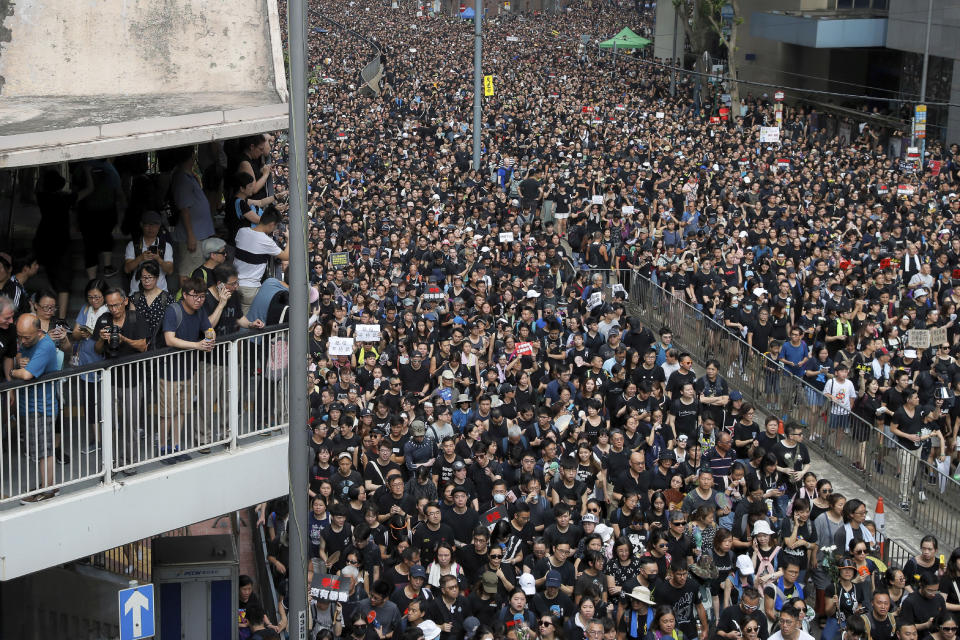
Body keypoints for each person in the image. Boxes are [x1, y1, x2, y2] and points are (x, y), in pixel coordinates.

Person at [158, 277, 214, 463]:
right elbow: (169, 339)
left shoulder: (200, 311)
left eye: (202, 296)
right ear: (185, 295)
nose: (199, 300)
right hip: (169, 372)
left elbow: (208, 328)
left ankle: (175, 447)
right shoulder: (173, 311)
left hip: (189, 371)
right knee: (167, 412)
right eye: (195, 296)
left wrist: (210, 337)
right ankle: (163, 448)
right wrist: (197, 345)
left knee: (182, 411)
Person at [94, 287, 148, 471]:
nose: (114, 309)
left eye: (117, 304)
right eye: (110, 306)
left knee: (130, 424)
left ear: (125, 301)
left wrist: (124, 339)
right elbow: (97, 350)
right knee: (107, 422)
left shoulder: (136, 318)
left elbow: (143, 346)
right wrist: (102, 339)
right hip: (109, 377)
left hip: (131, 379)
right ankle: (108, 463)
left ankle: (129, 462)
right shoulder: (103, 319)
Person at [12, 313, 61, 502]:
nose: (22, 341)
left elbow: (26, 375)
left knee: (44, 450)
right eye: (19, 336)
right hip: (29, 406)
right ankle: (46, 485)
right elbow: (21, 361)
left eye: (26, 337)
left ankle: (47, 490)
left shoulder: (46, 345)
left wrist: (12, 370)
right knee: (40, 449)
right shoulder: (27, 343)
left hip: (41, 407)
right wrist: (18, 361)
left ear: (39, 332)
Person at [235, 208, 290, 312]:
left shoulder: (242, 231)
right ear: (272, 224)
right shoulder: (266, 241)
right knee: (245, 323)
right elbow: (286, 256)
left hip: (234, 283)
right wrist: (289, 239)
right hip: (250, 288)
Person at [123, 210, 174, 293]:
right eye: (147, 225)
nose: (151, 228)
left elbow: (170, 271)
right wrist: (140, 258)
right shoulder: (133, 245)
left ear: (159, 226)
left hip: (160, 292)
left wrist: (159, 259)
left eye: (154, 225)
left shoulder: (166, 246)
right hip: (137, 291)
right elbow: (127, 269)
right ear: (141, 225)